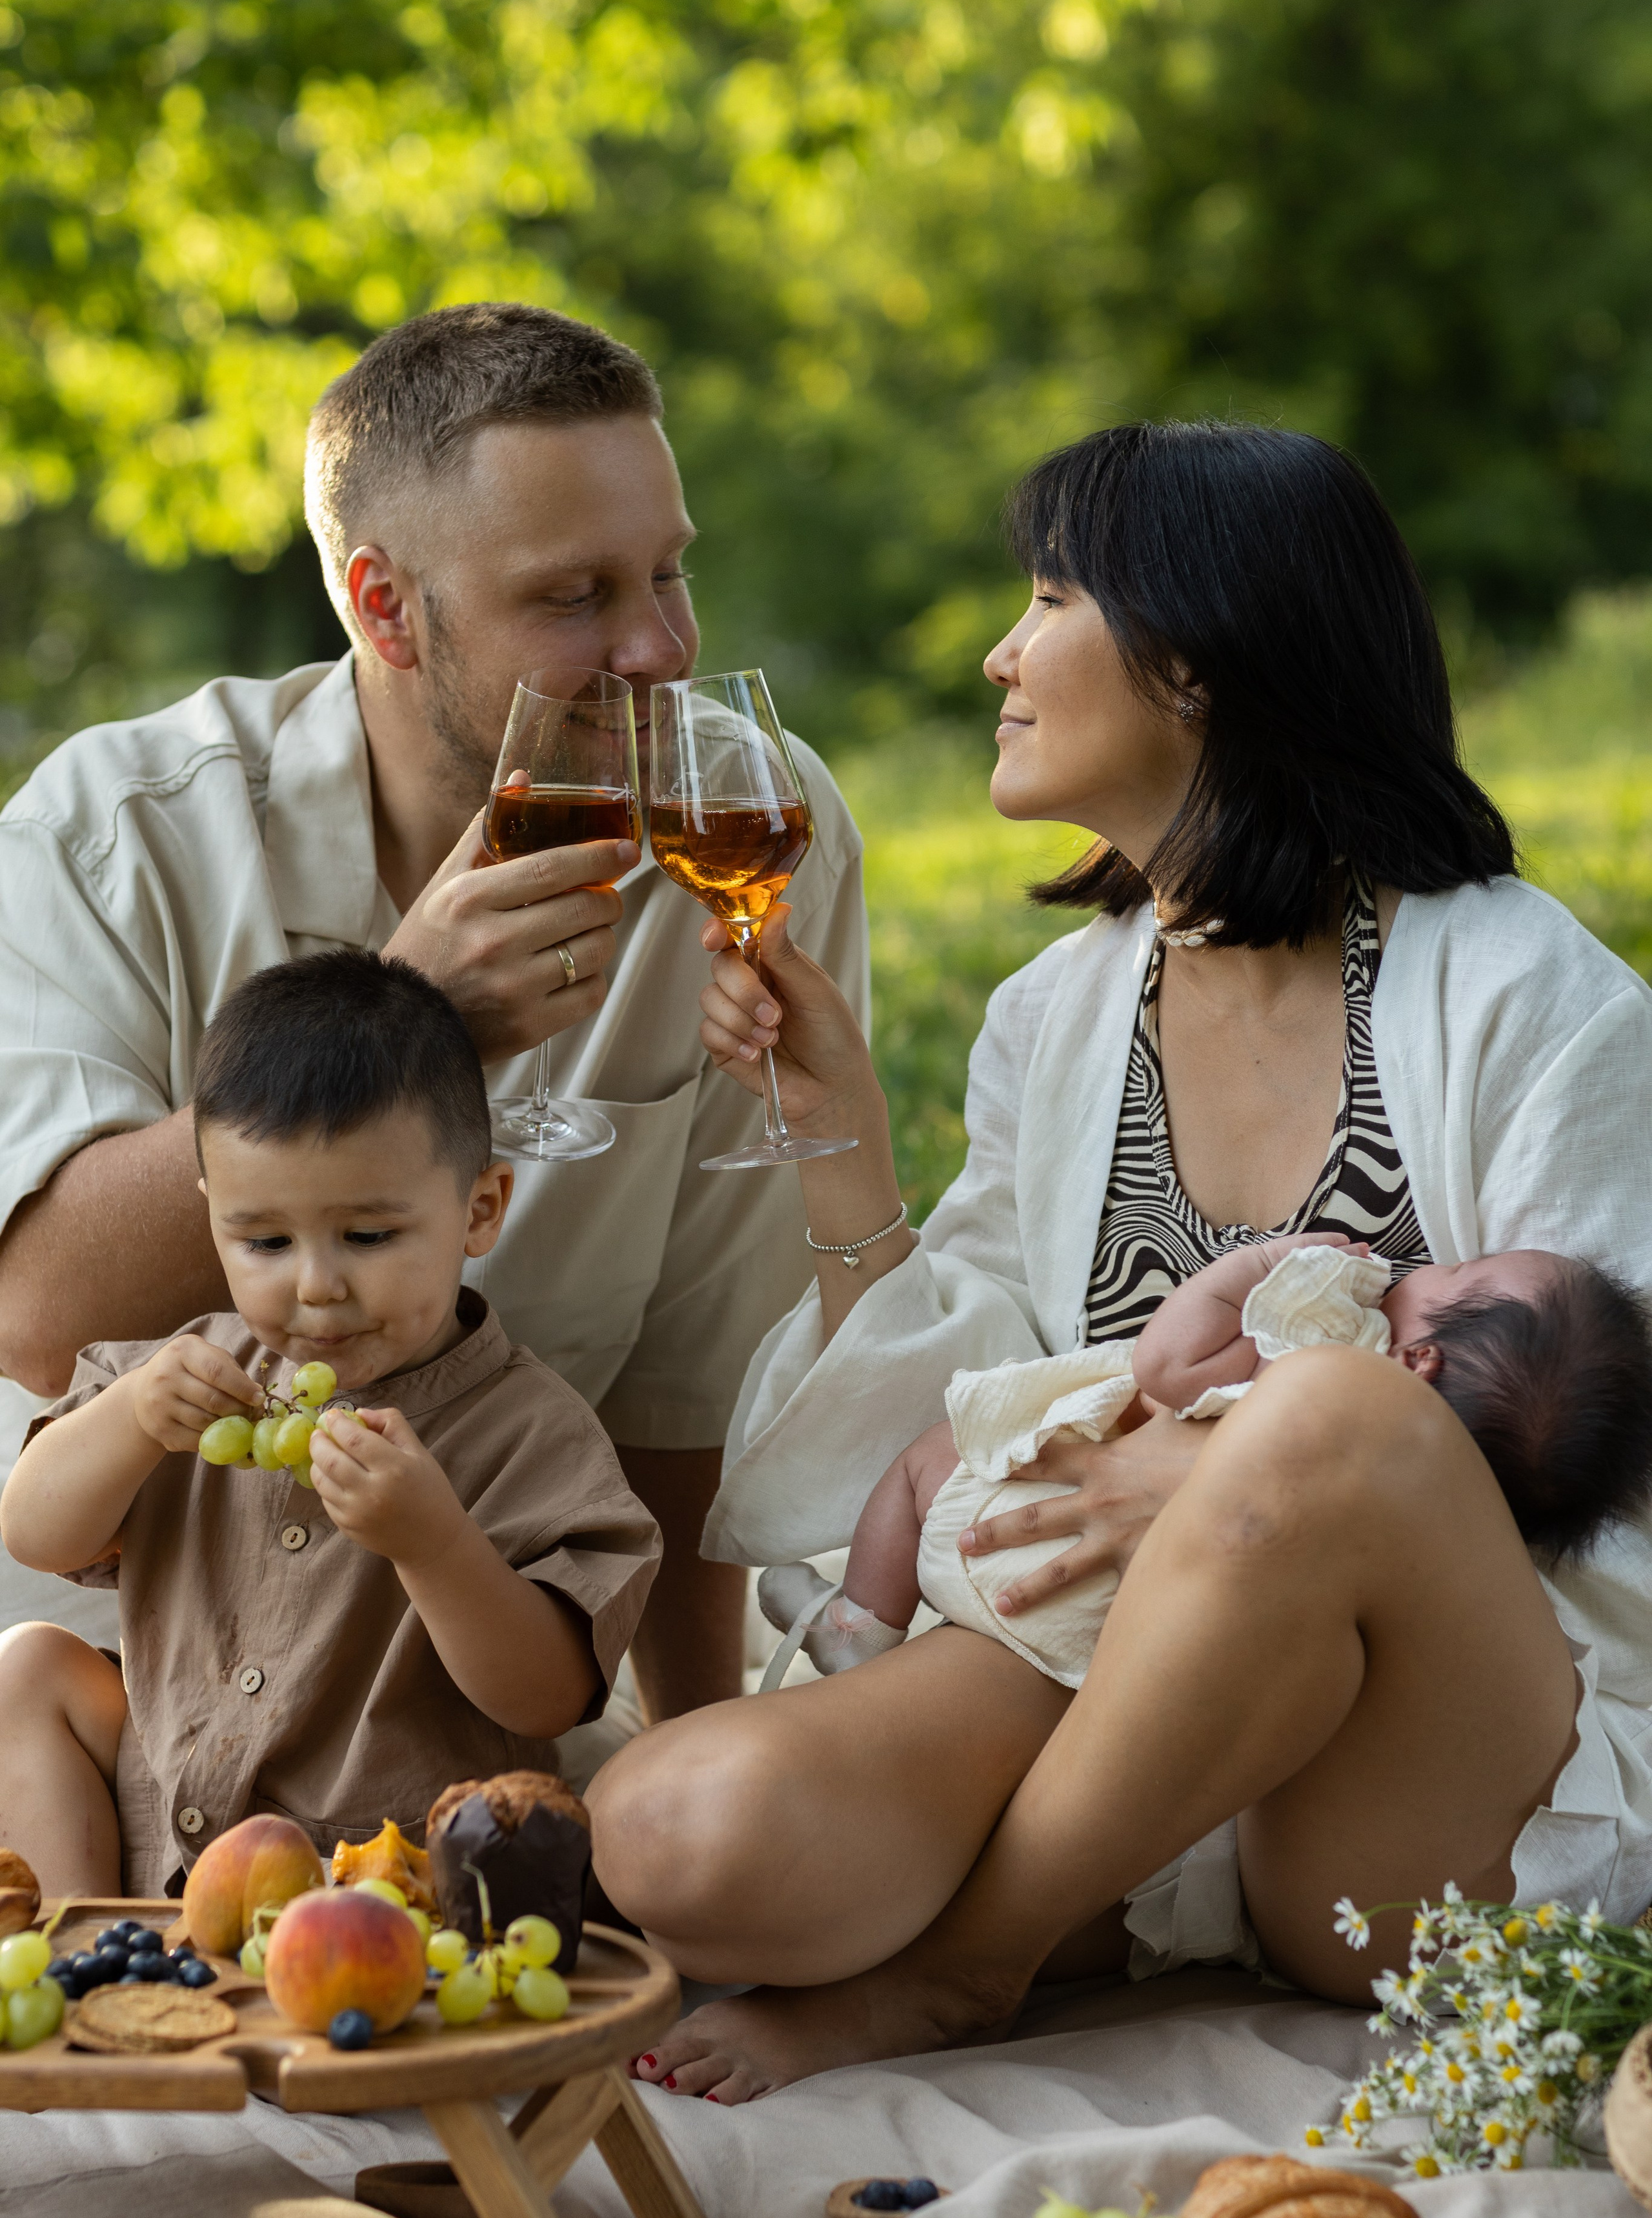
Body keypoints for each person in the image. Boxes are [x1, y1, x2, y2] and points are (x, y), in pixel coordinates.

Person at [585, 419, 1652, 2105]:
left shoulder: (1532, 998)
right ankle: (1094, 1887)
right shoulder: (1058, 1015)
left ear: (1194, 665)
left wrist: (1247, 1494)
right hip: (1097, 1686)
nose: (1004, 656)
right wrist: (847, 1141)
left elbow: (1608, 1450)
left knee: (1333, 1421)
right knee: (677, 1830)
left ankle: (960, 1969)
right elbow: (964, 1422)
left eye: (1048, 599)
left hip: (1405, 1807)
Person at [0, 302, 869, 1722]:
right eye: (574, 595)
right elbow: (36, 1313)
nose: (658, 649)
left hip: (472, 1693)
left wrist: (694, 1751)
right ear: (385, 604)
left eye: (666, 574)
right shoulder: (114, 834)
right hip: (102, 1682)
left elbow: (689, 1385)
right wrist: (411, 1019)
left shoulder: (745, 818)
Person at [0, 949, 660, 1898]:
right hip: (164, 1831)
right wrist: (131, 1420)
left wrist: (432, 1543)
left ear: (480, 1210)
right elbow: (32, 1529)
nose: (316, 1286)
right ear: (213, 1220)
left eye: (368, 1235)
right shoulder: (182, 1375)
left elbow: (548, 1694)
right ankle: (88, 1949)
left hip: (371, 1878)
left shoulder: (528, 1431)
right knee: (30, 1666)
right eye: (263, 1241)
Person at [761, 1237, 1652, 1682]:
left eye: (1457, 1273)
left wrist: (1253, 1269)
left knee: (930, 1459)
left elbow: (1165, 1366)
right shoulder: (1406, 1520)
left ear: (1419, 1359)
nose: (1429, 1262)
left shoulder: (1319, 1362)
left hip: (1033, 1533)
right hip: (1111, 1653)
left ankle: (862, 1621)